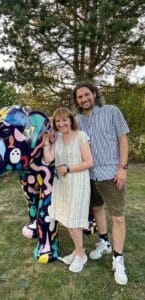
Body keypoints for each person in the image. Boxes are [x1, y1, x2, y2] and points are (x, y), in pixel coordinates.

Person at [73, 81, 129, 285]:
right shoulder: (77, 120)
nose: (84, 99)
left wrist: (123, 167)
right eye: (80, 97)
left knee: (118, 217)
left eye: (87, 95)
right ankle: (104, 242)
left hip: (112, 172)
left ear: (94, 94)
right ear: (76, 101)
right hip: (88, 174)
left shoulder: (112, 111)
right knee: (97, 208)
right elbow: (61, 128)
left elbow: (123, 138)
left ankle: (118, 258)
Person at [43, 107, 93, 273]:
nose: (61, 123)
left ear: (71, 120)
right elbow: (49, 158)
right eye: (58, 121)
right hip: (62, 186)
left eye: (65, 119)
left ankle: (80, 255)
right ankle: (77, 251)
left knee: (73, 222)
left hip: (77, 184)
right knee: (69, 221)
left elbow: (89, 162)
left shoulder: (80, 137)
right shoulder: (56, 137)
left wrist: (68, 168)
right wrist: (46, 141)